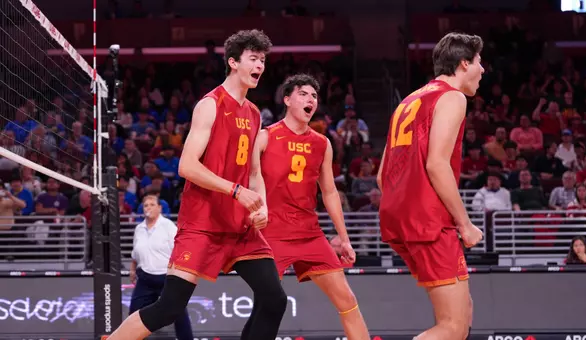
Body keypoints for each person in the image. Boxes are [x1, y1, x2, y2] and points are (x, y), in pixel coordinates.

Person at [108, 29, 288, 340]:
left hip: (239, 226)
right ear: (233, 62)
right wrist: (235, 190)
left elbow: (255, 171)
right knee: (169, 307)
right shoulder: (211, 105)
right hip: (202, 222)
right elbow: (187, 166)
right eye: (253, 59)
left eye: (263, 60)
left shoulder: (255, 113)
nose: (260, 65)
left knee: (274, 299)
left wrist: (263, 204)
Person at [377, 32, 485, 340]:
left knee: (464, 311)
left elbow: (382, 175)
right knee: (452, 326)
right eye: (479, 61)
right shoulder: (452, 97)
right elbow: (436, 164)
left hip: (400, 218)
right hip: (428, 221)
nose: (483, 69)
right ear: (464, 63)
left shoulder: (408, 101)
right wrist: (464, 224)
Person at [251, 74, 370, 340]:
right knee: (267, 306)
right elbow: (249, 178)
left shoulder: (322, 143)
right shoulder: (265, 137)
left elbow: (329, 192)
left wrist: (344, 238)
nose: (311, 100)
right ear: (287, 99)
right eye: (304, 94)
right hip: (272, 234)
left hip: (310, 233)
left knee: (347, 300)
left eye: (314, 96)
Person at [129, 194, 193, 340]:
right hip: (145, 278)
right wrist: (132, 269)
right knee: (134, 312)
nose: (148, 208)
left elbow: (180, 250)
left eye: (152, 205)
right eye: (146, 205)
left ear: (159, 208)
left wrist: (180, 273)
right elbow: (135, 253)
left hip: (167, 278)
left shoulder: (168, 227)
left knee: (178, 312)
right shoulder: (139, 229)